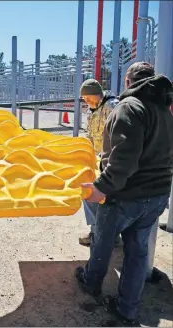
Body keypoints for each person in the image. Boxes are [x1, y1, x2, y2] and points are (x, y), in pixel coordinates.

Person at [75, 62, 173, 326]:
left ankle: (91, 283)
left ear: (128, 82)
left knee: (103, 242)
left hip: (126, 195)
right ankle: (126, 308)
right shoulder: (165, 111)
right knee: (138, 252)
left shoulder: (129, 108)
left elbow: (123, 161)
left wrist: (101, 187)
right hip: (157, 195)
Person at [79, 79, 119, 246]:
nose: (86, 101)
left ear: (97, 94)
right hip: (96, 159)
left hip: (111, 160)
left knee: (98, 197)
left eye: (88, 97)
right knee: (90, 194)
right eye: (84, 98)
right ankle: (99, 232)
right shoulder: (91, 111)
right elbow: (89, 134)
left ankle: (102, 235)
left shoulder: (112, 106)